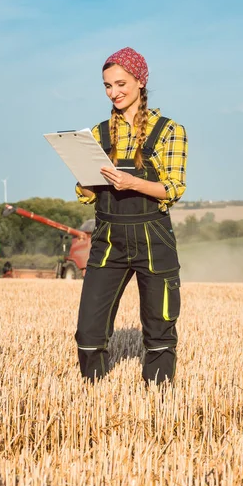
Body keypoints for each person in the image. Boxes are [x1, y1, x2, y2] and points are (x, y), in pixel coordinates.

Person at [75, 47, 188, 385]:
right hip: (108, 237)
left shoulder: (170, 131)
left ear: (141, 81)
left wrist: (132, 182)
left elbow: (173, 189)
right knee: (88, 329)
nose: (114, 92)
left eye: (121, 83)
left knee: (159, 324)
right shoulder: (97, 134)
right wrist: (85, 182)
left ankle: (157, 400)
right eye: (107, 86)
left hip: (153, 236)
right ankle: (92, 394)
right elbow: (86, 193)